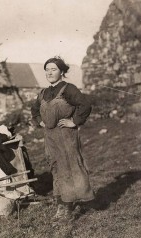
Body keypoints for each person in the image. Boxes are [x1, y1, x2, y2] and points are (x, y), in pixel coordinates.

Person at [31, 56, 94, 221]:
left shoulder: (68, 89)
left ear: (61, 71)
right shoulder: (43, 93)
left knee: (69, 167)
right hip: (50, 137)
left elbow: (85, 105)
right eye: (47, 70)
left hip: (65, 136)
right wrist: (40, 121)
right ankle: (61, 202)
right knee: (56, 168)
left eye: (53, 69)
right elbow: (35, 110)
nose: (50, 73)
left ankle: (67, 206)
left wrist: (74, 122)